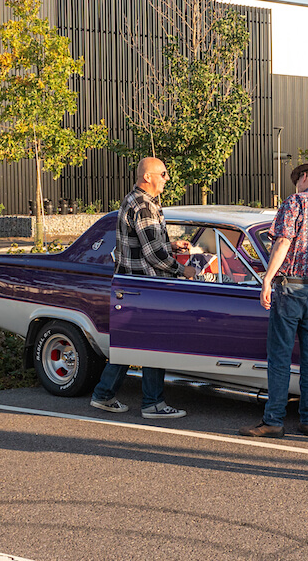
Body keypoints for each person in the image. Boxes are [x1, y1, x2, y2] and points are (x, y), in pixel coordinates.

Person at [239, 160, 308, 438]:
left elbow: (283, 241)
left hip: (290, 287)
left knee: (280, 355)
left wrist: (267, 278)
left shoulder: (296, 202)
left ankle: (274, 420)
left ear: (303, 177)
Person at [90, 157, 193, 419]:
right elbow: (154, 255)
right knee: (154, 344)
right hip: (145, 284)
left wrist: (172, 246)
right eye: (163, 173)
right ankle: (153, 404)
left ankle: (103, 394)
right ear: (147, 177)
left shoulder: (138, 201)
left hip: (131, 282)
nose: (167, 178)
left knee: (130, 342)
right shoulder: (144, 206)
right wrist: (183, 271)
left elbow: (144, 244)